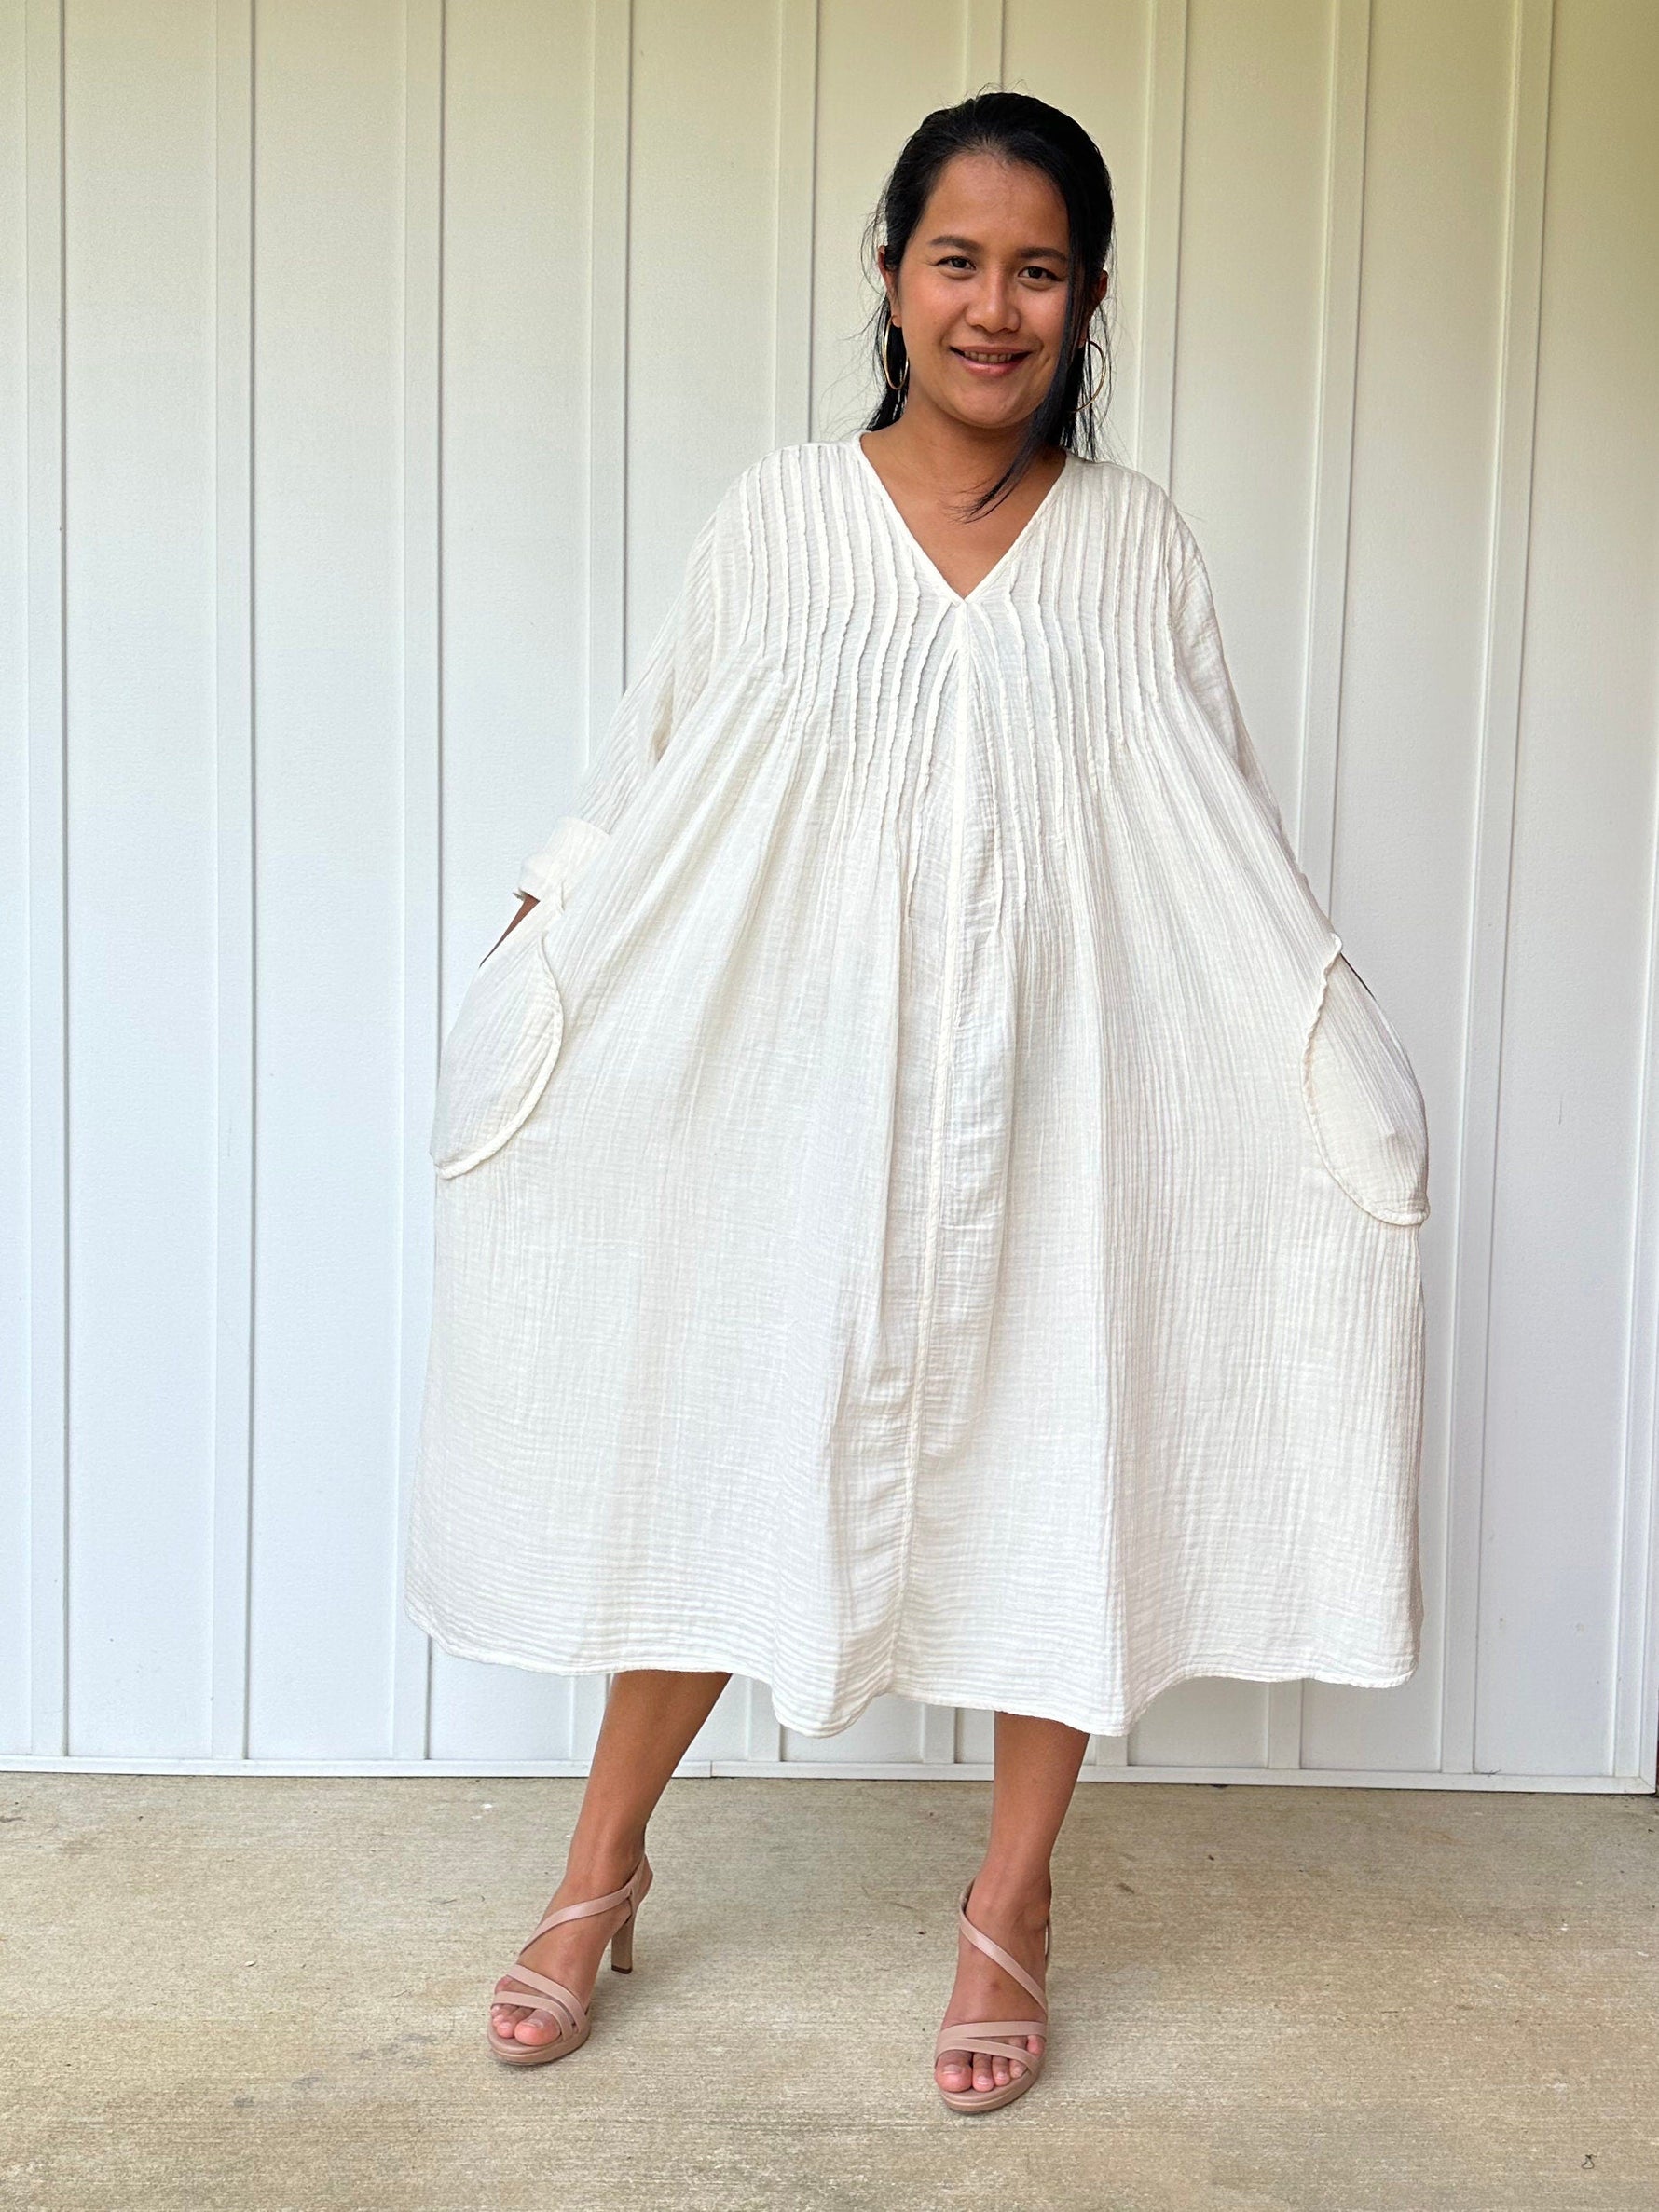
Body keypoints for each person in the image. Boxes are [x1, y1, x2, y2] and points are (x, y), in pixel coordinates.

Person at [404, 90, 1430, 2114]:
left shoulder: (1134, 545)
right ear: (888, 274)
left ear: (1090, 298)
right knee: (729, 1430)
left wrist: (1312, 1020)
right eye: (956, 259)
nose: (992, 306)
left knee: (1063, 1441)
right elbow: (652, 769)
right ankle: (600, 1867)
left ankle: (1011, 1898)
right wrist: (545, 947)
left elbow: (1210, 818)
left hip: (1063, 1087)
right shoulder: (781, 517)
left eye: (1037, 270)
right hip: (800, 1082)